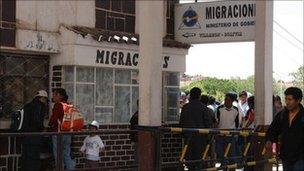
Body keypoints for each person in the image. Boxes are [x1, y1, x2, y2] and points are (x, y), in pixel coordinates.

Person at [265, 87, 304, 171]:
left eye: (290, 99)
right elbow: (273, 129)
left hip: (300, 157)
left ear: (298, 100)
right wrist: (269, 140)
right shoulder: (282, 115)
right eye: (286, 99)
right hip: (285, 156)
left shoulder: (302, 116)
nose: (287, 102)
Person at [179, 87, 210, 170]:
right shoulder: (204, 108)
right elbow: (207, 123)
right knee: (199, 159)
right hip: (200, 138)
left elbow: (181, 122)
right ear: (199, 96)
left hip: (188, 137)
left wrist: (183, 134)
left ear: (190, 96)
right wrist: (208, 137)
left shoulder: (185, 107)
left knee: (189, 159)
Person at [48, 88, 76, 169]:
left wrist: (49, 125)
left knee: (58, 155)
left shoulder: (58, 105)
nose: (53, 96)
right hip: (68, 133)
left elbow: (53, 119)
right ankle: (70, 168)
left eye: (54, 94)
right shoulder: (69, 105)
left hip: (59, 133)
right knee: (66, 153)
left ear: (60, 96)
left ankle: (60, 169)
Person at [21, 90, 48, 171]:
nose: (46, 102)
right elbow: (37, 121)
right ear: (42, 98)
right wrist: (43, 129)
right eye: (45, 99)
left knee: (26, 157)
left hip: (25, 135)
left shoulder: (27, 105)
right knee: (34, 158)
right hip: (34, 136)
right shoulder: (40, 106)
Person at [215, 93, 239, 168]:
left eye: (228, 100)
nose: (226, 101)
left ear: (232, 101)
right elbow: (216, 122)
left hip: (231, 135)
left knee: (232, 154)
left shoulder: (236, 110)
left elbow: (237, 123)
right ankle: (224, 166)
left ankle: (232, 167)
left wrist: (235, 134)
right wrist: (216, 133)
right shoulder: (219, 109)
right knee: (220, 153)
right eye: (225, 99)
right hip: (220, 135)